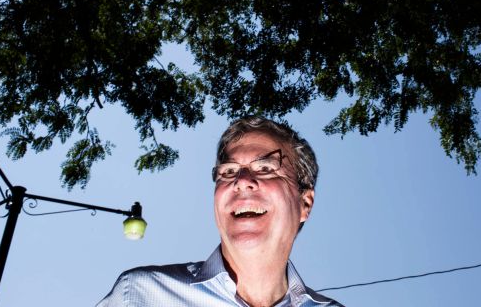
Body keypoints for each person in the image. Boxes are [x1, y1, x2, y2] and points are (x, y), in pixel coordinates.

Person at [96, 115, 344, 307]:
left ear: (305, 203)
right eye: (228, 172)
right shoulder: (139, 296)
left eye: (266, 168)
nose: (241, 180)